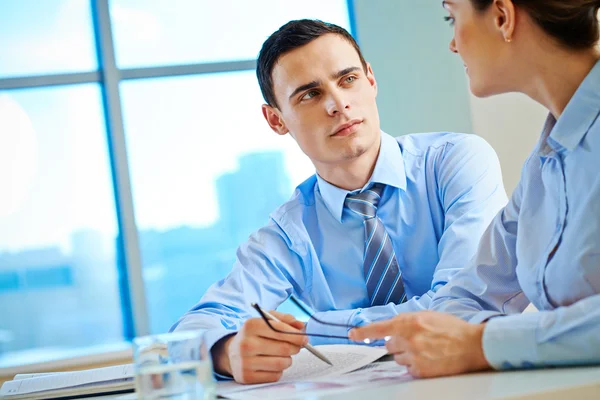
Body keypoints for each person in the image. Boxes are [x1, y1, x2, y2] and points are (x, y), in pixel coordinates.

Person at [171, 19, 507, 384]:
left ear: (371, 80)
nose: (338, 104)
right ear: (276, 120)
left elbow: (461, 303)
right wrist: (227, 351)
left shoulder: (455, 163)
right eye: (310, 94)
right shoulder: (290, 233)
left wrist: (316, 329)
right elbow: (186, 335)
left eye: (348, 79)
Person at [350, 0, 600, 379]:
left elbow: (474, 333)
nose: (452, 44)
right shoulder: (547, 160)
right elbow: (470, 291)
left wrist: (482, 342)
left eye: (453, 17)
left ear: (502, 16)